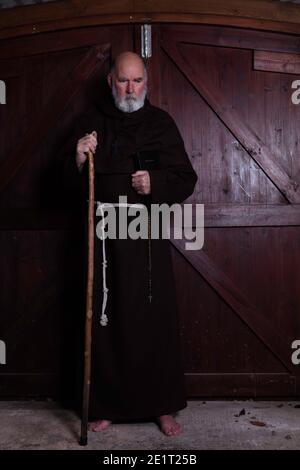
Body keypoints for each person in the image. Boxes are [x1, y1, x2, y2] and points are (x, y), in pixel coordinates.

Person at [64, 52, 197, 436]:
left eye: (137, 81)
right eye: (123, 80)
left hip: (146, 242)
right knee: (106, 325)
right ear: (110, 81)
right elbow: (59, 188)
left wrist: (156, 184)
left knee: (152, 324)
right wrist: (75, 158)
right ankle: (107, 407)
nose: (130, 88)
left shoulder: (161, 123)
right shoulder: (90, 123)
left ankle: (161, 407)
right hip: (103, 243)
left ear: (147, 83)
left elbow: (186, 178)